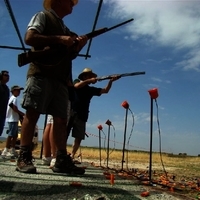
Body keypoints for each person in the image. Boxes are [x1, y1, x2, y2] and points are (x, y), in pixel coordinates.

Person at [16, 0, 88, 174]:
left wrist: (78, 46)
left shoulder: (65, 28)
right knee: (32, 113)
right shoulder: (43, 17)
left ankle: (61, 159)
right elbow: (29, 37)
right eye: (70, 1)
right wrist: (60, 39)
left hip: (61, 79)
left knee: (61, 120)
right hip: (41, 73)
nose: (72, 4)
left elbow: (67, 56)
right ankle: (24, 157)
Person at [67, 68, 120, 162]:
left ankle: (72, 156)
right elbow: (76, 86)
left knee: (78, 137)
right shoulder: (77, 81)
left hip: (82, 115)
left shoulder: (90, 89)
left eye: (92, 76)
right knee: (64, 134)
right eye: (89, 76)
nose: (92, 78)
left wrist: (111, 81)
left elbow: (105, 90)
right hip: (71, 112)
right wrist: (90, 81)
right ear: (84, 76)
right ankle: (59, 154)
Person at [1, 85, 25, 157]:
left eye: (19, 90)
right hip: (12, 119)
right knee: (11, 134)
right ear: (13, 91)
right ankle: (6, 150)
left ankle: (12, 149)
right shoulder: (13, 98)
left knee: (15, 135)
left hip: (14, 119)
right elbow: (14, 108)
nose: (19, 92)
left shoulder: (12, 98)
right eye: (17, 90)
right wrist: (22, 114)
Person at [0, 70, 10, 137]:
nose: (8, 77)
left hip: (2, 114)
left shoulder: (7, 89)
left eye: (8, 76)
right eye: (5, 75)